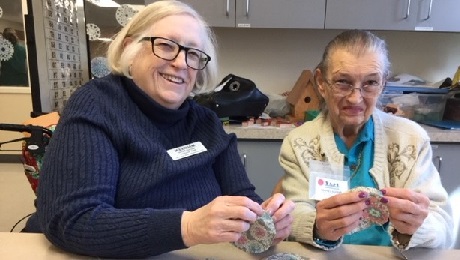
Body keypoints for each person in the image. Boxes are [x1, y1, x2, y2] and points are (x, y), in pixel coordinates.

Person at [23, 1, 294, 258]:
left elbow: (242, 198)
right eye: (166, 46)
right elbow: (74, 219)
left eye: (193, 53)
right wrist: (188, 227)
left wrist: (265, 219)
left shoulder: (206, 122)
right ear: (131, 48)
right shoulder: (97, 104)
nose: (180, 63)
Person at [279, 30, 454, 251]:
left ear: (383, 83)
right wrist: (316, 226)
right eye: (343, 82)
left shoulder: (410, 139)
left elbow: (445, 229)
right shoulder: (299, 142)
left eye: (370, 82)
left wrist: (418, 225)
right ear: (321, 83)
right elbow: (294, 214)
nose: (355, 98)